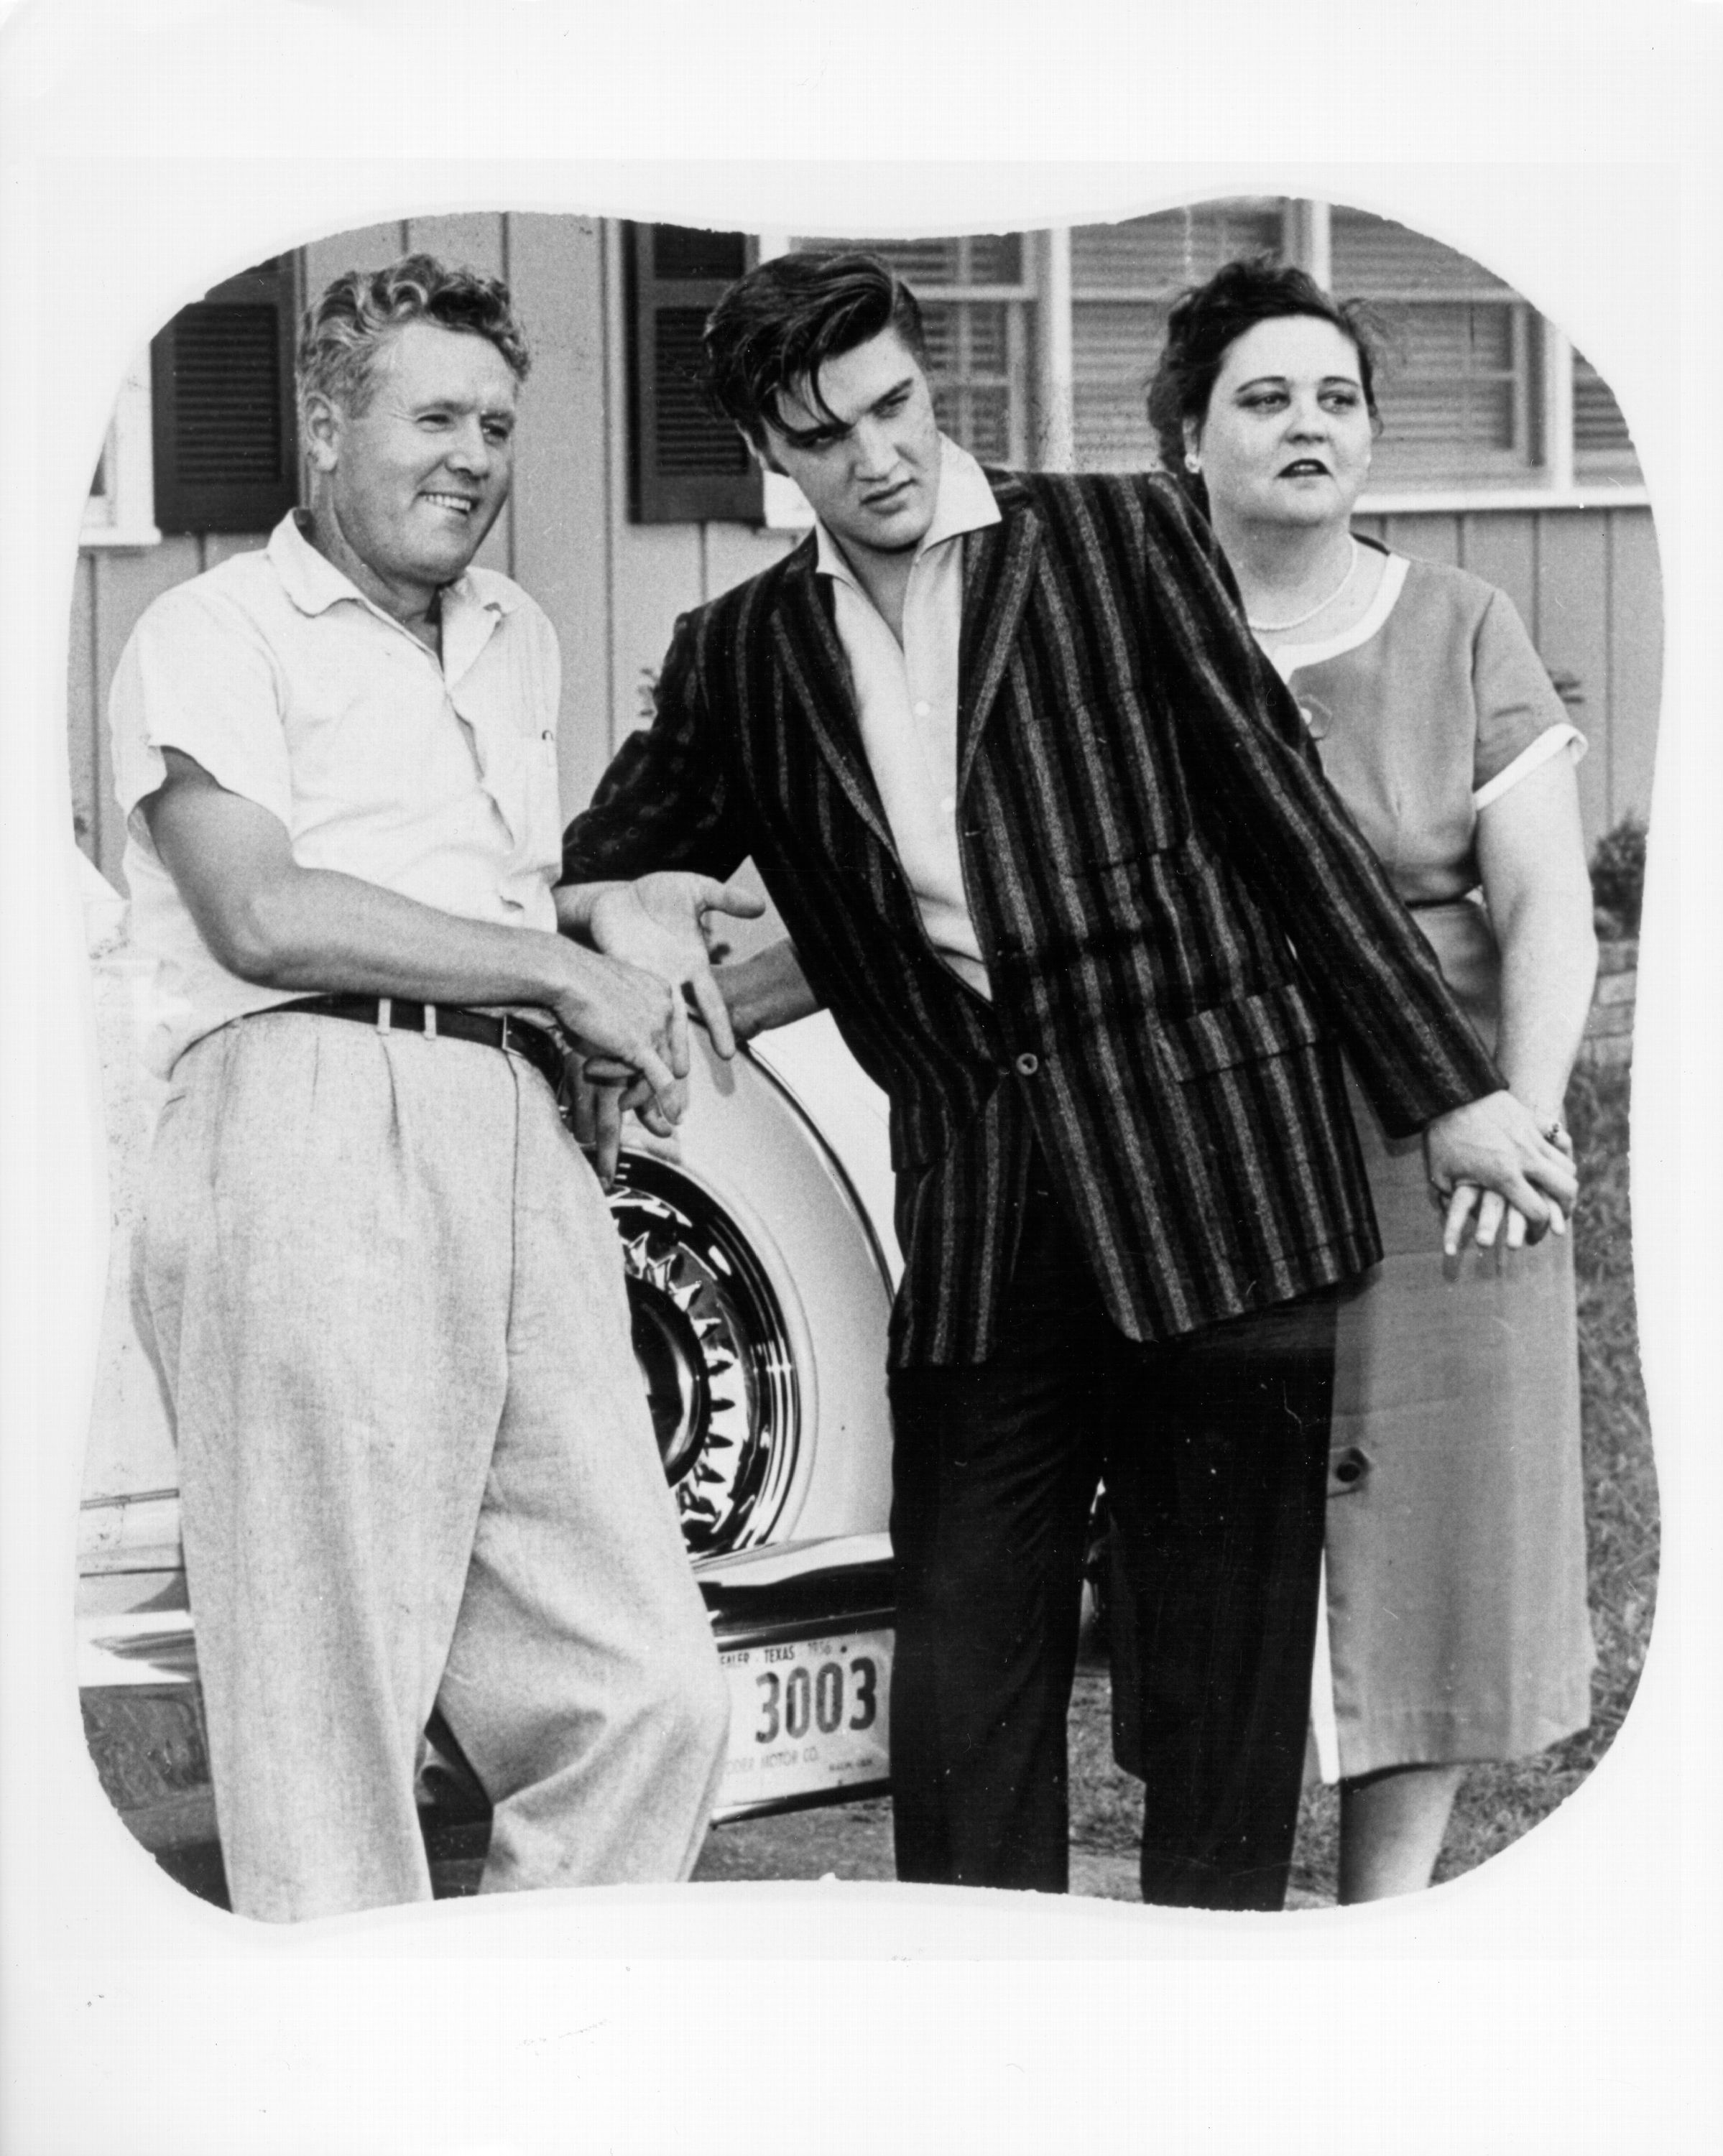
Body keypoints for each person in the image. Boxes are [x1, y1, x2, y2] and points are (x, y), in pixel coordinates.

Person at [558, 249, 1579, 1910]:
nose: (875, 455)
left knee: (1216, 1706)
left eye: (893, 405)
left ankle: (1202, 2055)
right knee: (963, 1685)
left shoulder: (1114, 537)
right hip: (978, 1216)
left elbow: (1282, 821)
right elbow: (608, 849)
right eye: (824, 435)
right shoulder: (738, 651)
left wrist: (1448, 1086)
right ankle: (984, 2059)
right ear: (769, 443)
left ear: (928, 383)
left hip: (1222, 1179)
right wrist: (624, 901)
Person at [111, 254, 747, 1923]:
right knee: (329, 1720)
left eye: (497, 424)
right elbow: (262, 910)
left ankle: (511, 2059)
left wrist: (575, 997)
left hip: (509, 1135)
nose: (472, 455)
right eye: (434, 416)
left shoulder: (516, 635)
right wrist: (553, 973)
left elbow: (497, 895)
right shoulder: (210, 631)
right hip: (301, 1112)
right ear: (325, 424)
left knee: (644, 1686)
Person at [1144, 256, 1599, 1900]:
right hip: (1209, 1144)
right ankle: (1224, 1895)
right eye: (1261, 397)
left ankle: (1385, 1906)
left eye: (1334, 396)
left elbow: (1541, 896)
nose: (1305, 424)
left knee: (1431, 1521)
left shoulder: (1461, 621)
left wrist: (1522, 1109)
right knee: (1232, 1528)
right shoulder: (1144, 638)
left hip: (1439, 1145)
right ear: (1187, 438)